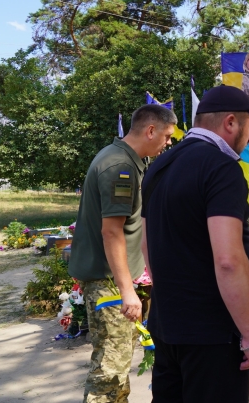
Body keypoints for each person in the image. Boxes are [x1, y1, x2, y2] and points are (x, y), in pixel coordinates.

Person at [141, 85, 249, 402]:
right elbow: (228, 260)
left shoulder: (158, 166)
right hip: (211, 335)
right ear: (230, 123)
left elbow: (146, 243)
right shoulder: (221, 168)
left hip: (167, 324)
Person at [69, 104, 177, 402]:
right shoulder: (121, 168)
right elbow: (112, 231)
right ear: (150, 130)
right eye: (166, 136)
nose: (168, 142)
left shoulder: (124, 159)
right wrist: (128, 291)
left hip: (114, 279)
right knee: (110, 369)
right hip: (109, 283)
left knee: (118, 360)